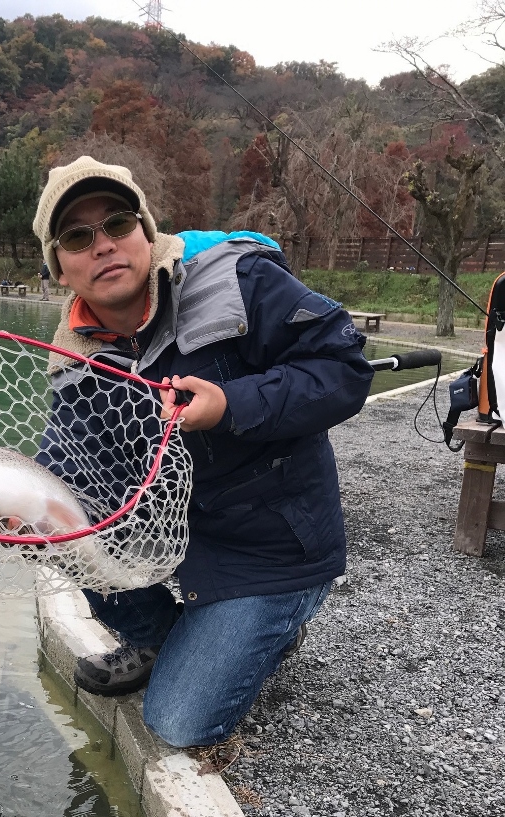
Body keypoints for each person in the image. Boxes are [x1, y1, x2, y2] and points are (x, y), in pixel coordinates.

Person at [24, 156, 374, 749]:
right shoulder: (72, 361)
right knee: (65, 529)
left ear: (147, 231)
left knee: (176, 722)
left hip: (275, 547)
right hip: (183, 546)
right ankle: (172, 638)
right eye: (78, 237)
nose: (104, 245)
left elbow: (343, 370)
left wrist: (232, 405)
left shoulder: (239, 281)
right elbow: (70, 469)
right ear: (59, 267)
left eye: (118, 222)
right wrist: (21, 513)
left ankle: (272, 627)